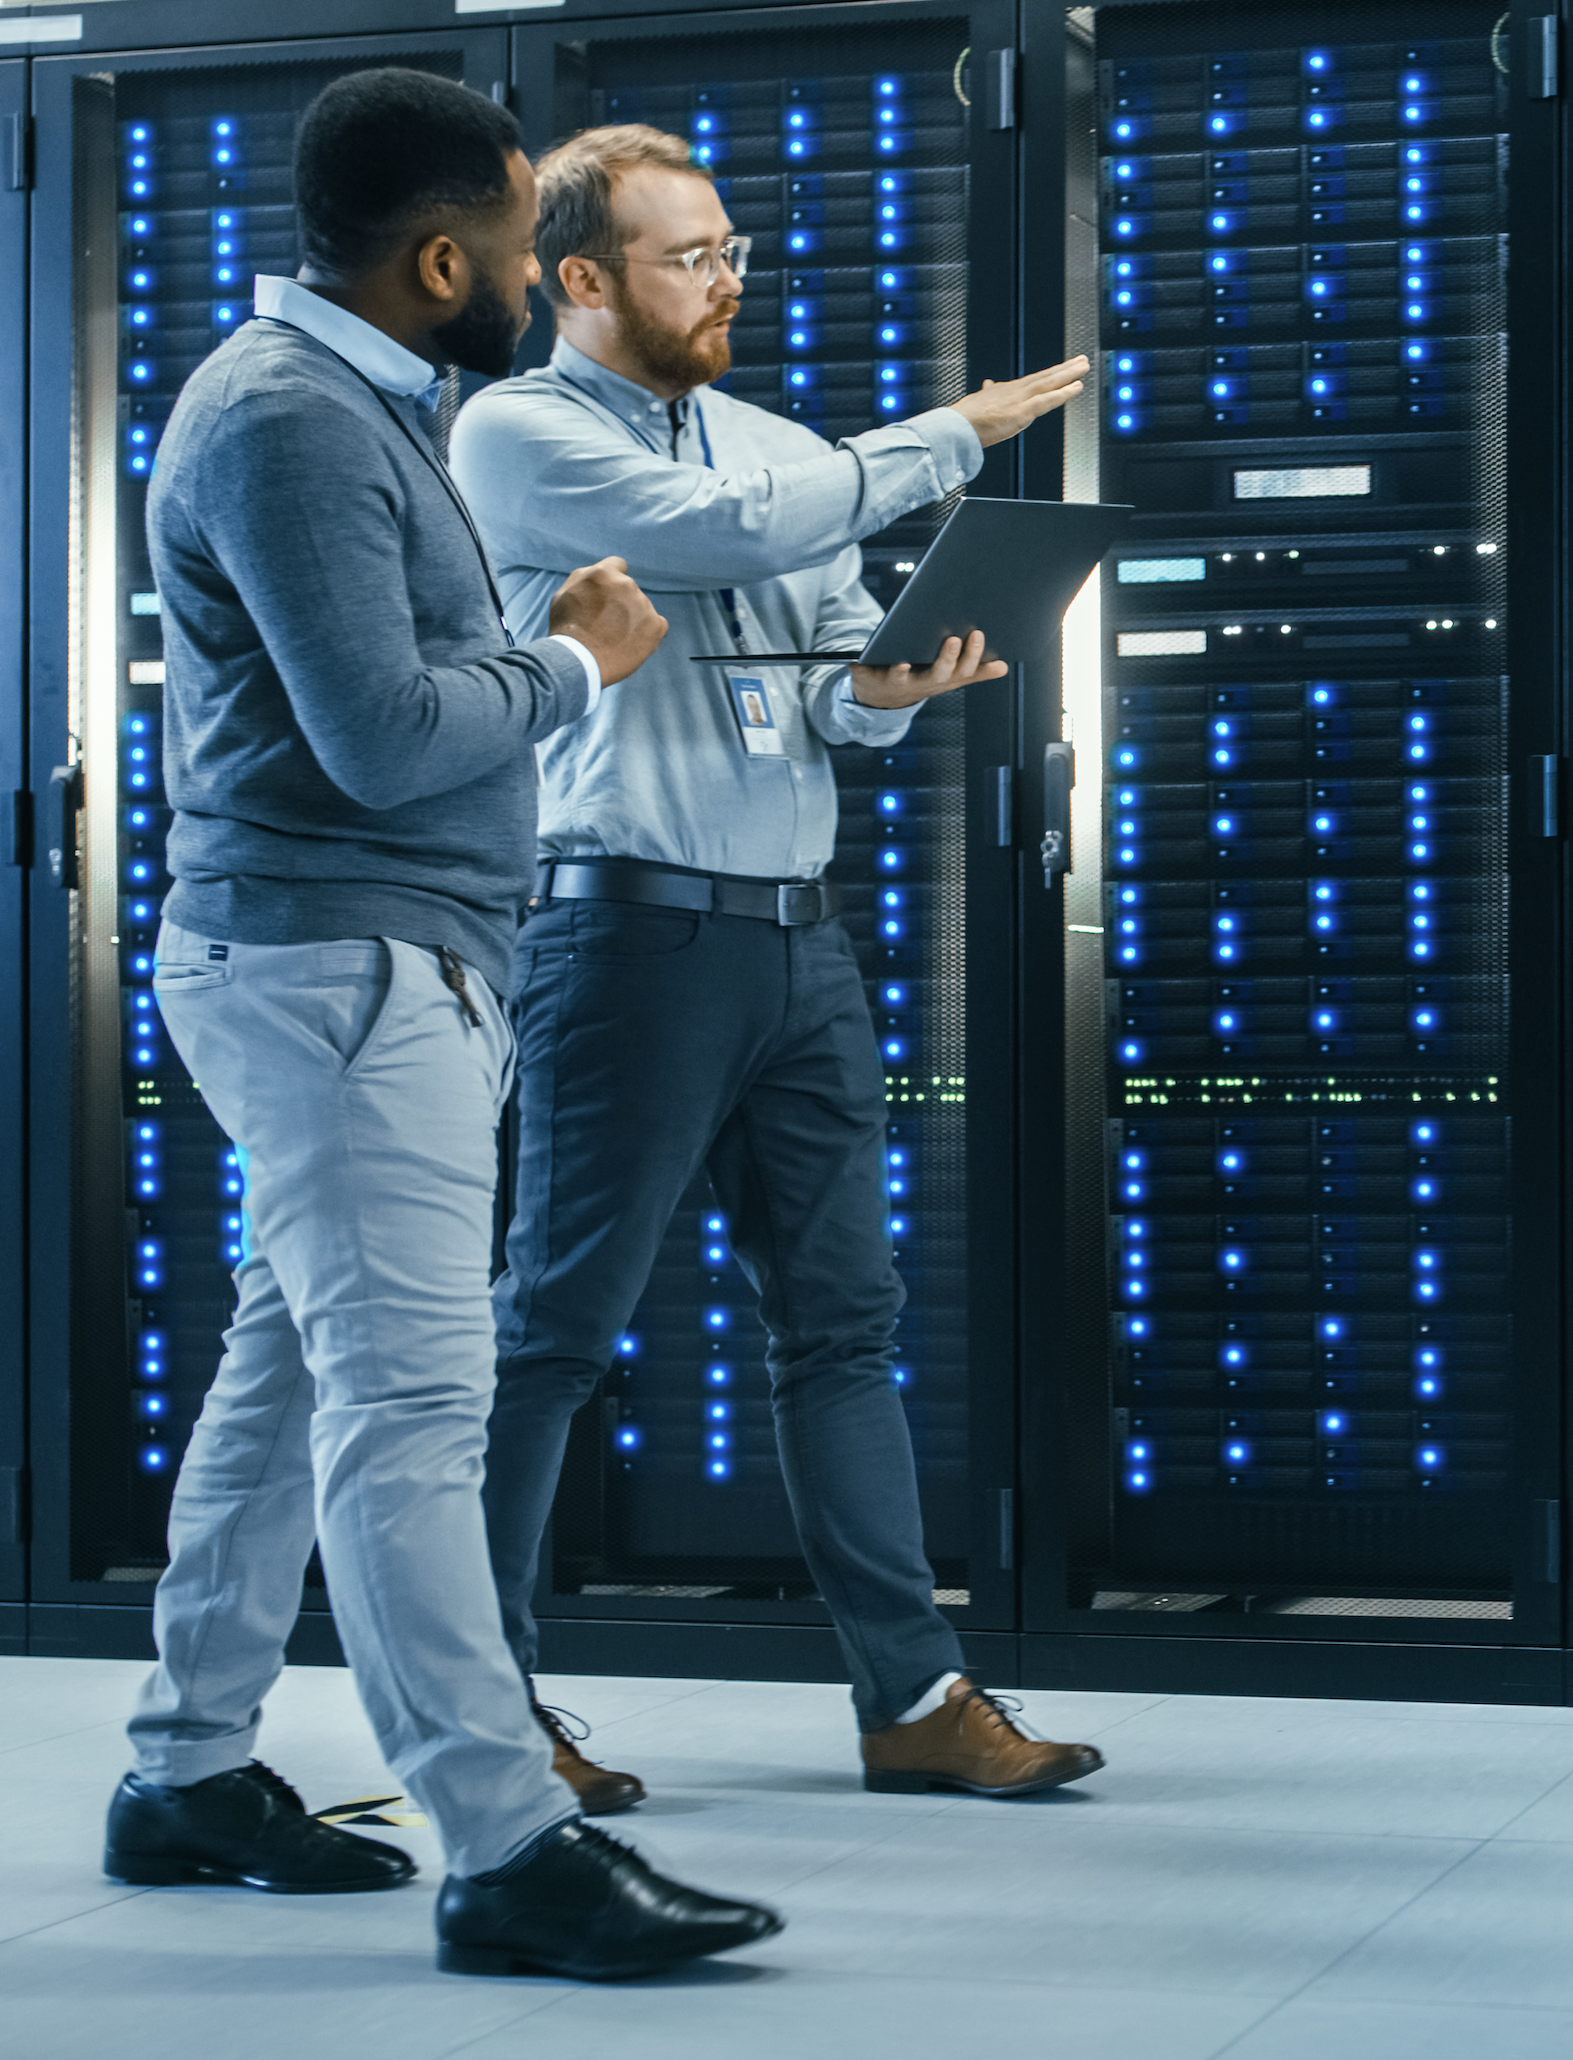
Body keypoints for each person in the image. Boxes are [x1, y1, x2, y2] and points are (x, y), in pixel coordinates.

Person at [103, 69, 781, 1981]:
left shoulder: (354, 404)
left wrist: (517, 648)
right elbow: (388, 742)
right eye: (507, 246)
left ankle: (182, 1769)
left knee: (293, 1381)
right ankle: (511, 1845)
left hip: (368, 965)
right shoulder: (293, 420)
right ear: (433, 256)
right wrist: (573, 658)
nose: (530, 281)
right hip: (340, 967)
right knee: (414, 1407)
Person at [453, 122, 1100, 1810]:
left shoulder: (767, 441)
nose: (726, 279)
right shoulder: (518, 432)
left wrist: (880, 696)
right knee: (555, 1332)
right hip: (622, 934)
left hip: (796, 943)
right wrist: (948, 435)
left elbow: (809, 657)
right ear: (581, 279)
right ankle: (489, 1709)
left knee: (844, 1328)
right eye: (692, 257)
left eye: (734, 249)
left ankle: (916, 1701)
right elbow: (734, 537)